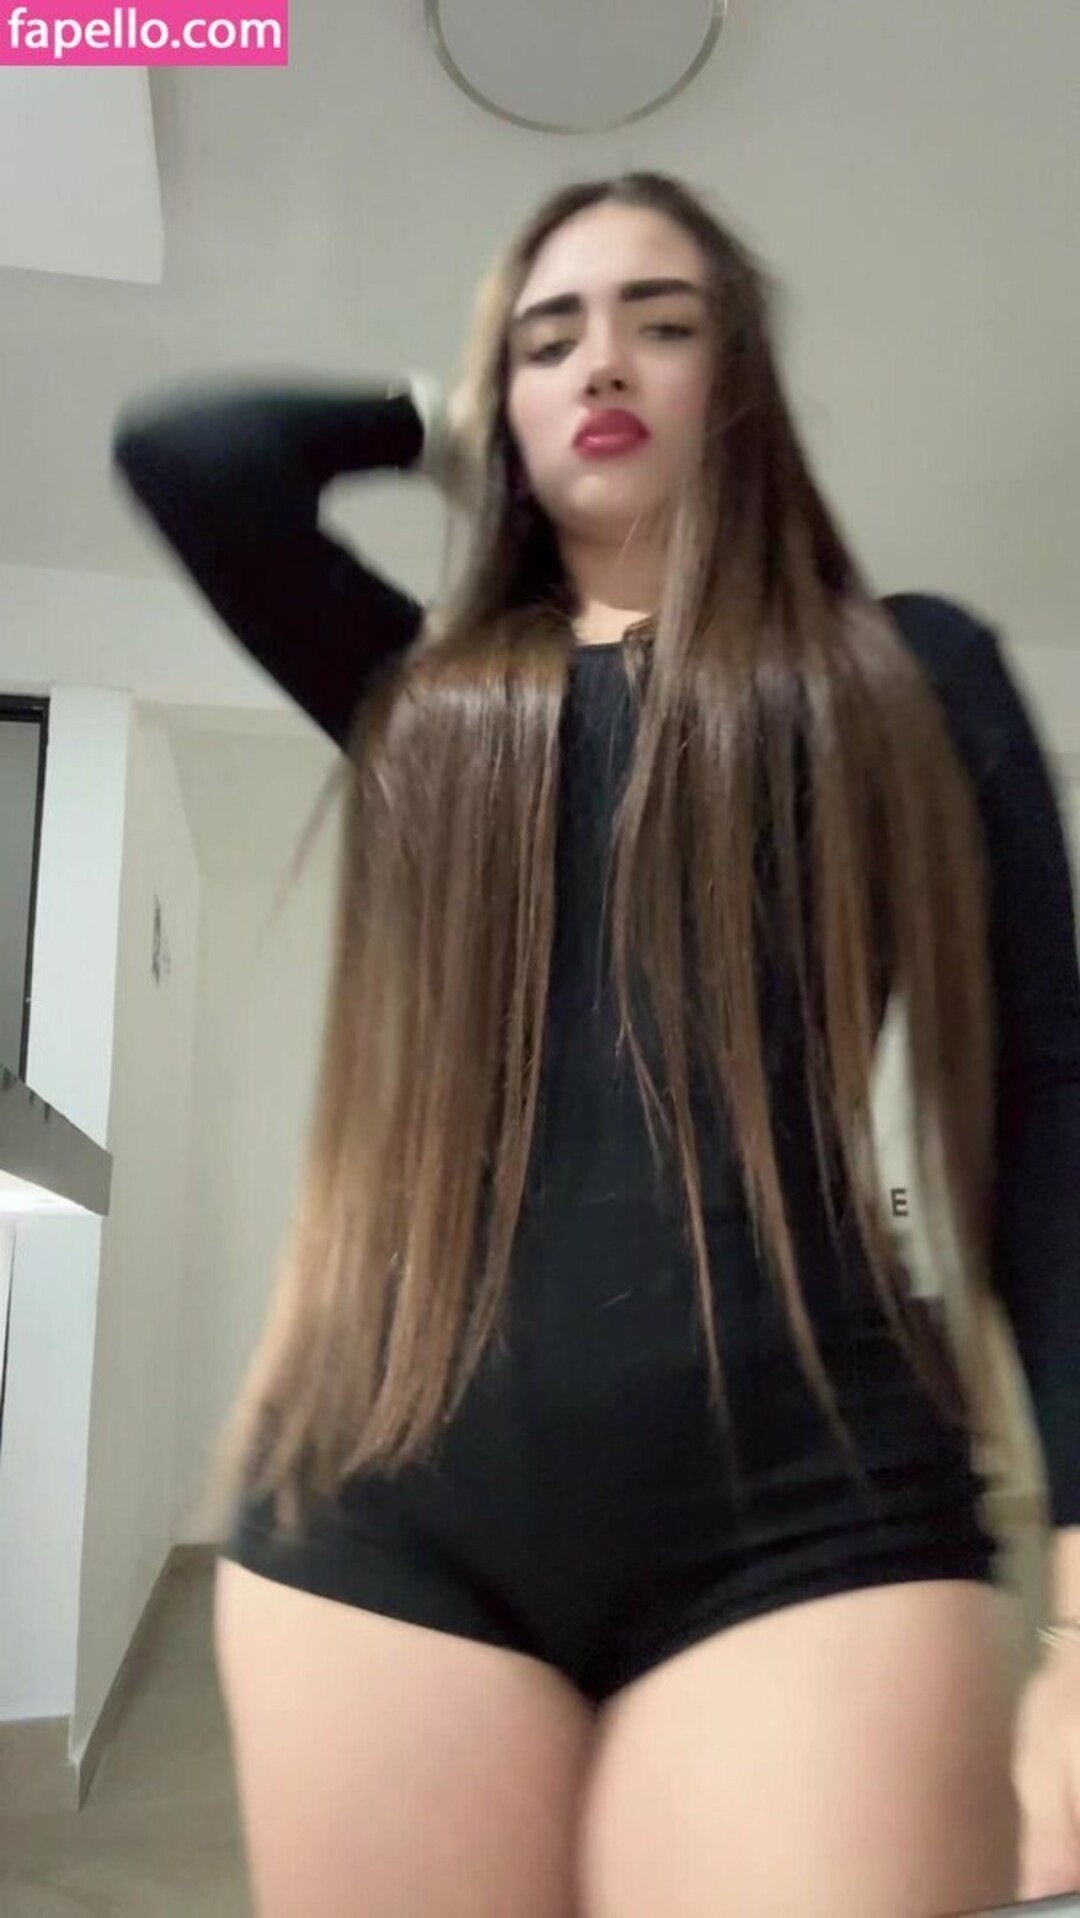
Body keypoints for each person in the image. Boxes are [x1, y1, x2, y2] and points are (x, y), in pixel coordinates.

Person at [113, 172, 1080, 1917]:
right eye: (550, 337)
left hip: (812, 1507)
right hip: (387, 1507)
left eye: (666, 322)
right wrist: (447, 420)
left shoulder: (906, 676)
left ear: (742, 382)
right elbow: (193, 461)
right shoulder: (432, 702)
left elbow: (1048, 1119)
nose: (604, 361)